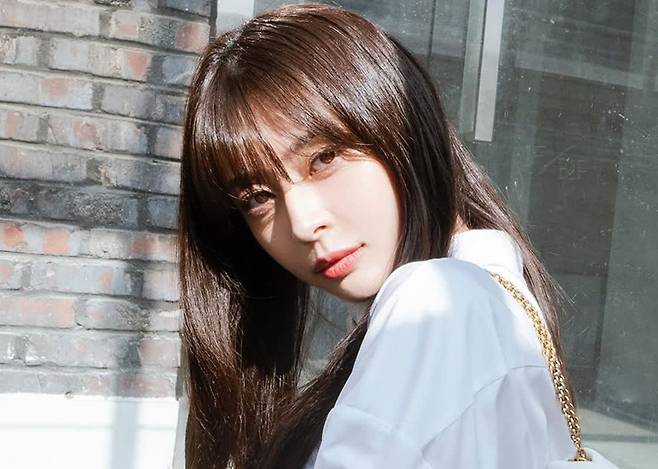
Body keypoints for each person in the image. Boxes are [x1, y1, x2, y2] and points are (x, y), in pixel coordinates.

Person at [177, 3, 582, 468]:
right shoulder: (494, 298)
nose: (304, 224)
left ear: (400, 126)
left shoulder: (435, 302)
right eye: (257, 197)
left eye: (324, 158)